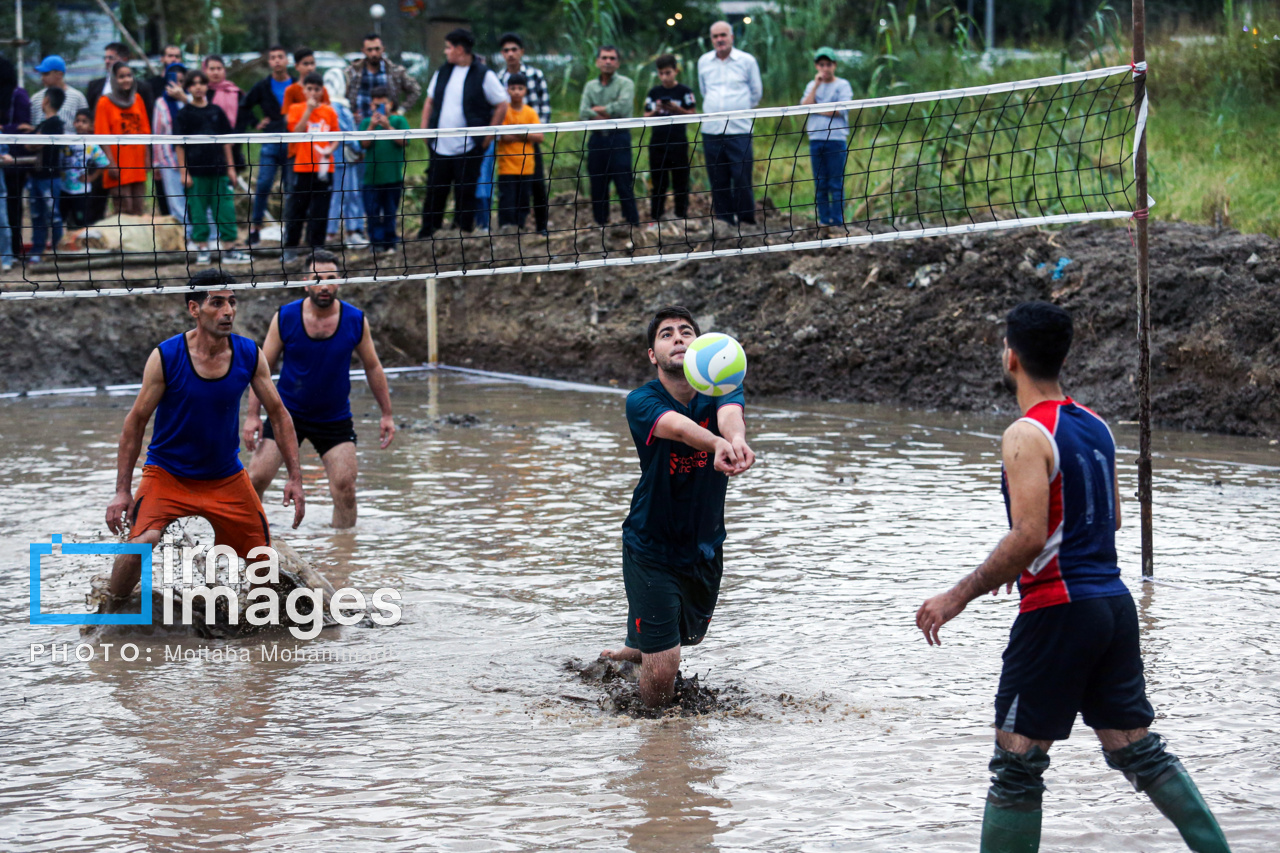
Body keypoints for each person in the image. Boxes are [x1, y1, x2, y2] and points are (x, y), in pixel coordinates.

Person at [915, 302, 1231, 853]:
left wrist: (958, 594)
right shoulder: (1097, 425)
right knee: (1135, 749)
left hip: (1058, 613)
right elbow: (1108, 520)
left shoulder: (1024, 434)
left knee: (1016, 765)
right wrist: (1028, 561)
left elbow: (1030, 535)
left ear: (1010, 356)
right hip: (1111, 605)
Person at [103, 270, 305, 613]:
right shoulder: (166, 357)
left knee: (263, 562)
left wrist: (295, 479)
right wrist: (122, 490)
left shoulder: (248, 354)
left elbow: (280, 414)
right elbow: (135, 422)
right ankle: (110, 611)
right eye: (217, 303)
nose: (228, 311)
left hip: (225, 476)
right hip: (167, 473)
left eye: (232, 302)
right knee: (141, 543)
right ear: (194, 309)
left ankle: (258, 634)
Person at [600, 306, 755, 707]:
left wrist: (734, 440)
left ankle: (637, 647)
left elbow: (730, 415)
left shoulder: (722, 388)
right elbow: (678, 427)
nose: (678, 338)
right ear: (653, 355)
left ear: (701, 345)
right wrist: (716, 444)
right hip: (651, 543)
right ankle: (658, 738)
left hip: (704, 546)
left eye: (686, 331)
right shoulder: (641, 400)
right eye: (666, 334)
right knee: (666, 662)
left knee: (685, 636)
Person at [243, 250, 396, 529]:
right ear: (305, 282)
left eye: (330, 278)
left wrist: (387, 414)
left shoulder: (355, 319)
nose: (324, 285)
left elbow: (373, 367)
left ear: (340, 282)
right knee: (255, 479)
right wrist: (253, 415)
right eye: (317, 278)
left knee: (345, 488)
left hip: (334, 418)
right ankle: (251, 539)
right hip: (286, 415)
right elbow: (261, 367)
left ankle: (343, 557)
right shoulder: (285, 317)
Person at [417, 28, 509, 239]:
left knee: (465, 192)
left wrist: (487, 137)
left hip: (469, 147)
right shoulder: (443, 71)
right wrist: (424, 128)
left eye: (448, 47)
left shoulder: (483, 74)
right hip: (439, 145)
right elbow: (430, 100)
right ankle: (428, 231)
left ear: (460, 49)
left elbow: (502, 104)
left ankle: (463, 232)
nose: (445, 52)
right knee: (435, 190)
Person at [175, 70, 251, 266]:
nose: (198, 86)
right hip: (196, 173)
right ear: (188, 88)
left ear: (207, 86)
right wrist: (184, 172)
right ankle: (202, 250)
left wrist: (231, 168)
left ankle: (229, 250)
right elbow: (179, 146)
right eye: (194, 83)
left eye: (202, 82)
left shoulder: (217, 111)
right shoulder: (184, 115)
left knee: (225, 210)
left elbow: (226, 143)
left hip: (219, 171)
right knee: (198, 212)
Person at [697, 21, 762, 234]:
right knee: (718, 177)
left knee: (742, 176)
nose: (719, 40)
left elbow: (756, 94)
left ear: (732, 37)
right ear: (711, 39)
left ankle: (746, 221)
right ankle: (725, 222)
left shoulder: (747, 61)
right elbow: (704, 91)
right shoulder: (704, 62)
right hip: (712, 130)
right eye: (715, 36)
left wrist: (737, 109)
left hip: (739, 129)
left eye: (723, 35)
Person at [579, 45, 639, 229]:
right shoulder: (590, 86)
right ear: (597, 61)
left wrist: (597, 110)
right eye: (604, 57)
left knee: (623, 182)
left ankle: (632, 223)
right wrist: (609, 113)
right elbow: (583, 112)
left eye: (612, 58)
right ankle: (600, 224)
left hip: (619, 138)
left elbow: (623, 108)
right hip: (597, 140)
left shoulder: (626, 83)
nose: (608, 61)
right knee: (597, 184)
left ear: (618, 62)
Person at [496, 33, 550, 236]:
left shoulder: (535, 75)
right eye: (506, 50)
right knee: (509, 189)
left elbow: (545, 108)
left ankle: (541, 226)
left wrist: (533, 131)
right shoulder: (498, 79)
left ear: (521, 52)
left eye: (514, 49)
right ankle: (511, 228)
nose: (510, 54)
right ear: (502, 54)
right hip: (509, 146)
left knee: (537, 186)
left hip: (532, 139)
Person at [241, 45, 294, 246]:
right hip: (271, 141)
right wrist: (256, 123)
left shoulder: (297, 86)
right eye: (273, 58)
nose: (277, 61)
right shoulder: (262, 86)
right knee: (263, 184)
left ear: (286, 60)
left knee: (290, 188)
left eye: (280, 57)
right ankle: (255, 228)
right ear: (269, 62)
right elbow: (245, 105)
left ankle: (291, 229)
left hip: (292, 142)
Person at [284, 73, 340, 255]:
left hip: (324, 168)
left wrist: (330, 149)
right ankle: (291, 247)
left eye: (317, 89)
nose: (313, 93)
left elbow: (336, 136)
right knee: (297, 209)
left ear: (322, 91)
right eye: (309, 89)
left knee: (321, 210)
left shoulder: (329, 111)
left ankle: (317, 248)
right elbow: (296, 132)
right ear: (304, 90)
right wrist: (308, 110)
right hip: (303, 167)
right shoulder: (296, 109)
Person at [801, 47, 853, 230]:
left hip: (836, 139)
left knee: (835, 182)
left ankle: (837, 221)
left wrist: (818, 109)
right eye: (821, 64)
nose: (825, 68)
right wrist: (816, 86)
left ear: (834, 65)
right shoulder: (811, 85)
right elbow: (805, 106)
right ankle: (824, 220)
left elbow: (840, 110)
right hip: (816, 138)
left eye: (828, 64)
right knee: (820, 182)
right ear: (816, 66)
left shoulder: (843, 85)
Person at [644, 54, 696, 227]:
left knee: (681, 181)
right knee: (659, 183)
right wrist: (656, 111)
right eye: (661, 73)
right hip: (657, 144)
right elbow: (645, 116)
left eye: (668, 72)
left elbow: (693, 114)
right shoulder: (654, 93)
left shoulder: (684, 91)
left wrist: (677, 109)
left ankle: (681, 216)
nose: (664, 77)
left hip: (678, 143)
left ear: (676, 71)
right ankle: (656, 217)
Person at [94, 62, 151, 217]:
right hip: (118, 165)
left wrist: (147, 158)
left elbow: (145, 131)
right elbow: (102, 135)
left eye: (129, 76)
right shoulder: (104, 102)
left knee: (138, 208)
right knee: (124, 209)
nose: (126, 80)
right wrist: (111, 163)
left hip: (137, 163)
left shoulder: (137, 99)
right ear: (114, 79)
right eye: (121, 77)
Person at [358, 86, 409, 254]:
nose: (380, 108)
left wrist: (388, 127)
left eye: (383, 104)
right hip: (371, 179)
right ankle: (376, 242)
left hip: (393, 177)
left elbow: (404, 141)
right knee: (372, 212)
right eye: (376, 105)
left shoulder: (398, 121)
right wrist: (372, 126)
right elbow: (363, 145)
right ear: (371, 106)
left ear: (390, 104)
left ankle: (390, 241)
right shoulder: (366, 123)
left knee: (390, 212)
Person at [322, 68, 368, 248]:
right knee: (347, 195)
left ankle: (336, 233)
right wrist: (358, 149)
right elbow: (346, 133)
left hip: (337, 158)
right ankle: (346, 233)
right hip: (342, 159)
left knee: (340, 196)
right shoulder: (337, 107)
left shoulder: (333, 105)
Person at [495, 73, 543, 232]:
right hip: (507, 166)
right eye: (513, 88)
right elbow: (503, 136)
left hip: (526, 166)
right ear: (507, 90)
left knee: (523, 201)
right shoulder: (504, 111)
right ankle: (506, 230)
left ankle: (520, 229)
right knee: (507, 200)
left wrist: (519, 134)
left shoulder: (530, 112)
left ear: (526, 91)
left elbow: (539, 136)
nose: (516, 92)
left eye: (520, 88)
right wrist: (525, 133)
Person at [25, 87, 66, 265]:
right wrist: (33, 137)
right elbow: (29, 145)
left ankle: (58, 250)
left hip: (49, 178)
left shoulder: (55, 123)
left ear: (46, 101)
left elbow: (36, 144)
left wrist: (34, 139)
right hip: (36, 177)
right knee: (37, 216)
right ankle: (37, 250)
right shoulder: (43, 124)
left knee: (53, 216)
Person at [343, 33, 421, 124]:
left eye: (377, 49)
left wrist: (400, 111)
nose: (374, 53)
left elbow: (415, 90)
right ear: (363, 51)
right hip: (359, 125)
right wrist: (349, 113)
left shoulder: (394, 71)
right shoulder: (352, 72)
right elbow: (338, 96)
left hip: (387, 125)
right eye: (370, 50)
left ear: (383, 49)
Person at [151, 61, 190, 237]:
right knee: (176, 203)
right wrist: (157, 164)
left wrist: (184, 99)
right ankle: (185, 237)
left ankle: (202, 235)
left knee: (196, 201)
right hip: (169, 160)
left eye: (181, 81)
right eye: (174, 81)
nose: (177, 86)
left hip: (193, 160)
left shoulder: (191, 101)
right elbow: (157, 135)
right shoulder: (160, 103)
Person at [0, 57, 31, 262]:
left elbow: (24, 127)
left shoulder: (18, 95)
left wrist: (4, 130)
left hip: (15, 161)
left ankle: (13, 250)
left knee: (13, 204)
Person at [61, 109, 110, 230]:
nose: (80, 124)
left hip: (82, 191)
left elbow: (104, 163)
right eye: (77, 121)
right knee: (61, 219)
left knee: (81, 221)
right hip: (63, 188)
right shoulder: (66, 139)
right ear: (73, 123)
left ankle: (81, 245)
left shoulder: (91, 145)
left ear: (91, 126)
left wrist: (92, 177)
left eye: (84, 121)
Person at [86, 43, 154, 118]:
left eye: (111, 58)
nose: (107, 61)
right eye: (105, 58)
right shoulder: (94, 86)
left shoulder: (142, 88)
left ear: (124, 59)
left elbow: (148, 116)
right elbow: (90, 114)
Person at [203, 55, 245, 176]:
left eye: (219, 68)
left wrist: (233, 137)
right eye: (212, 69)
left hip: (232, 146)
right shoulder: (200, 93)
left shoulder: (235, 93)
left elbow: (242, 120)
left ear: (224, 70)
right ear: (205, 70)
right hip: (205, 148)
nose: (215, 72)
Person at [31, 55, 89, 126]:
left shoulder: (77, 97)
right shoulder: (36, 98)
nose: (42, 78)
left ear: (59, 74)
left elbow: (86, 125)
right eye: (42, 74)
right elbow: (32, 126)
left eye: (46, 74)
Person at [282, 49, 330, 116]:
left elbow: (329, 113)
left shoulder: (322, 90)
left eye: (312, 63)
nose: (310, 68)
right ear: (296, 66)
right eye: (305, 64)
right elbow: (287, 117)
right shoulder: (291, 90)